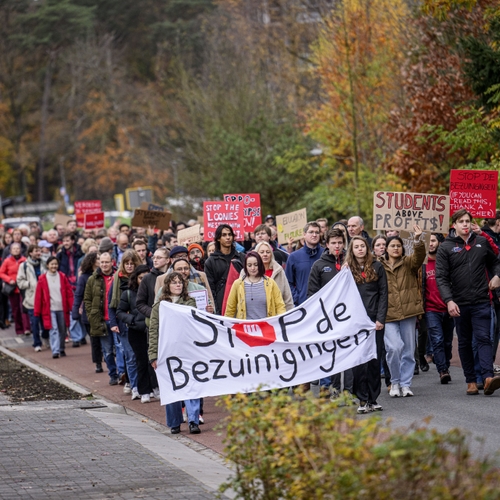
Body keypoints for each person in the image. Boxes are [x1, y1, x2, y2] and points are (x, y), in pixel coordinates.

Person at [436, 209, 500, 396]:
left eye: (467, 221)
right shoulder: (446, 247)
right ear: (454, 225)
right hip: (459, 303)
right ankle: (471, 381)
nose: (465, 224)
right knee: (464, 342)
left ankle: (488, 378)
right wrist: (448, 301)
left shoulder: (481, 242)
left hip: (481, 300)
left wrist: (497, 276)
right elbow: (441, 277)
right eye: (461, 221)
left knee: (484, 338)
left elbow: (496, 262)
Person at [148, 272, 200, 434]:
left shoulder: (190, 303)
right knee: (171, 386)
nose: (178, 285)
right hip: (167, 352)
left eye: (180, 282)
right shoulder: (159, 307)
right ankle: (174, 422)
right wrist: (153, 355)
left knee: (191, 385)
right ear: (167, 286)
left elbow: (194, 325)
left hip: (187, 351)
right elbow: (154, 331)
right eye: (174, 282)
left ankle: (193, 420)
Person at [381, 226, 426, 397]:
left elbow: (419, 257)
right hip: (388, 314)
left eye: (398, 246)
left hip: (408, 312)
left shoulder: (409, 263)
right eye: (392, 246)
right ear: (386, 248)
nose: (395, 248)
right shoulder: (379, 266)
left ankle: (405, 384)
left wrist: (417, 240)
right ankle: (394, 382)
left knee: (408, 350)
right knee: (394, 348)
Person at [308, 228, 352, 396]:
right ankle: (334, 389)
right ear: (326, 244)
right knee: (332, 353)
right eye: (333, 243)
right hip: (327, 316)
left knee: (348, 352)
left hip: (348, 314)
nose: (337, 246)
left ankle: (348, 391)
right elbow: (312, 292)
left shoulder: (352, 261)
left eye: (340, 243)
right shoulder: (319, 265)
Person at [346, 236, 388, 413]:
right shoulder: (347, 270)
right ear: (352, 250)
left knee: (374, 359)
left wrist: (380, 319)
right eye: (356, 247)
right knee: (358, 362)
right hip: (355, 322)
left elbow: (384, 294)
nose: (360, 249)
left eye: (362, 246)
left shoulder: (377, 266)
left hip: (374, 322)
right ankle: (361, 399)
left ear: (367, 248)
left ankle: (373, 398)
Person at [117, 265, 159, 403]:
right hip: (136, 331)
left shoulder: (154, 291)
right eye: (141, 278)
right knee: (140, 360)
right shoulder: (128, 293)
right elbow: (120, 312)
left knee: (153, 360)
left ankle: (155, 387)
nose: (144, 280)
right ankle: (144, 390)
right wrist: (132, 320)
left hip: (152, 329)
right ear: (136, 279)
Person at [108, 249, 141, 396]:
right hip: (123, 324)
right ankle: (134, 385)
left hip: (139, 323)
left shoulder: (142, 278)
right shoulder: (116, 280)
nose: (129, 266)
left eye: (132, 263)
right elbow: (111, 304)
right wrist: (113, 323)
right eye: (126, 263)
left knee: (141, 355)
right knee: (130, 356)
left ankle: (143, 385)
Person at [423, 233, 454, 384]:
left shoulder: (447, 261)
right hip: (431, 308)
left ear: (439, 243)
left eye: (433, 240)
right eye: (428, 241)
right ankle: (443, 370)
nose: (431, 244)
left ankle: (445, 364)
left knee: (447, 341)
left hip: (448, 307)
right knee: (437, 339)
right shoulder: (422, 264)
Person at [84, 252, 119, 385]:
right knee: (108, 350)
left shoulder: (117, 277)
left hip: (116, 319)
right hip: (102, 320)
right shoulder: (92, 279)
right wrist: (91, 315)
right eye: (102, 262)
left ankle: (122, 373)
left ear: (112, 262)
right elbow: (87, 299)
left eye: (106, 262)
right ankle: (113, 374)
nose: (104, 264)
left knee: (120, 350)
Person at [225, 252, 286, 320]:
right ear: (245, 266)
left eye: (256, 265)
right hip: (244, 328)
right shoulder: (237, 284)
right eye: (249, 265)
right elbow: (230, 310)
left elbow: (280, 306)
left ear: (260, 265)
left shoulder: (271, 283)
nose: (253, 268)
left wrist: (282, 322)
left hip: (267, 328)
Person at [34, 256, 73, 358]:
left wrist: (72, 306)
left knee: (62, 330)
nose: (54, 266)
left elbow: (69, 293)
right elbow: (38, 296)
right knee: (53, 329)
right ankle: (55, 351)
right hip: (49, 309)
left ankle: (61, 348)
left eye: (55, 264)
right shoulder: (42, 279)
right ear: (47, 265)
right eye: (52, 264)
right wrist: (37, 312)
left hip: (62, 308)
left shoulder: (62, 276)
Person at [72, 252, 103, 373]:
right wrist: (75, 311)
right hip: (89, 314)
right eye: (98, 259)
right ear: (92, 261)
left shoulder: (103, 274)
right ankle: (98, 363)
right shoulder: (84, 277)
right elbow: (78, 295)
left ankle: (107, 358)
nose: (101, 261)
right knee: (95, 340)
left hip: (103, 312)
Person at [204, 224, 245, 314]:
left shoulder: (242, 257)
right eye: (224, 235)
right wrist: (216, 311)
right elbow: (211, 289)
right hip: (222, 304)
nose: (228, 237)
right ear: (218, 238)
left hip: (241, 301)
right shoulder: (210, 262)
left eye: (230, 234)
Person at [17, 244, 47, 351]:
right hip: (31, 299)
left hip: (45, 298)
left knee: (45, 322)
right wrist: (30, 284)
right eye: (36, 251)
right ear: (30, 253)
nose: (39, 253)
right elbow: (19, 281)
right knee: (34, 322)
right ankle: (37, 343)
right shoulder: (24, 266)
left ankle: (45, 336)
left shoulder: (44, 263)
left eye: (40, 250)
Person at [285, 221, 324, 306]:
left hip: (325, 304)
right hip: (303, 305)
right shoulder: (294, 257)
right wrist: (297, 298)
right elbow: (288, 282)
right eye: (311, 232)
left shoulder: (326, 254)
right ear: (304, 234)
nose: (314, 235)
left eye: (317, 232)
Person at [0, 242, 30, 335]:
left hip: (23, 287)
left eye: (18, 248)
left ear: (20, 250)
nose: (16, 250)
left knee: (24, 308)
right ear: (10, 250)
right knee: (15, 309)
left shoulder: (25, 260)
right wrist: (9, 280)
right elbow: (1, 273)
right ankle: (19, 328)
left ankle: (27, 328)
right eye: (14, 249)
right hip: (13, 288)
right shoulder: (7, 261)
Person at [255, 242, 293, 310]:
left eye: (268, 252)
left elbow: (287, 296)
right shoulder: (249, 272)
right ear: (256, 254)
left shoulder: (279, 271)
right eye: (262, 252)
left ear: (271, 254)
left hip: (276, 315)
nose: (265, 254)